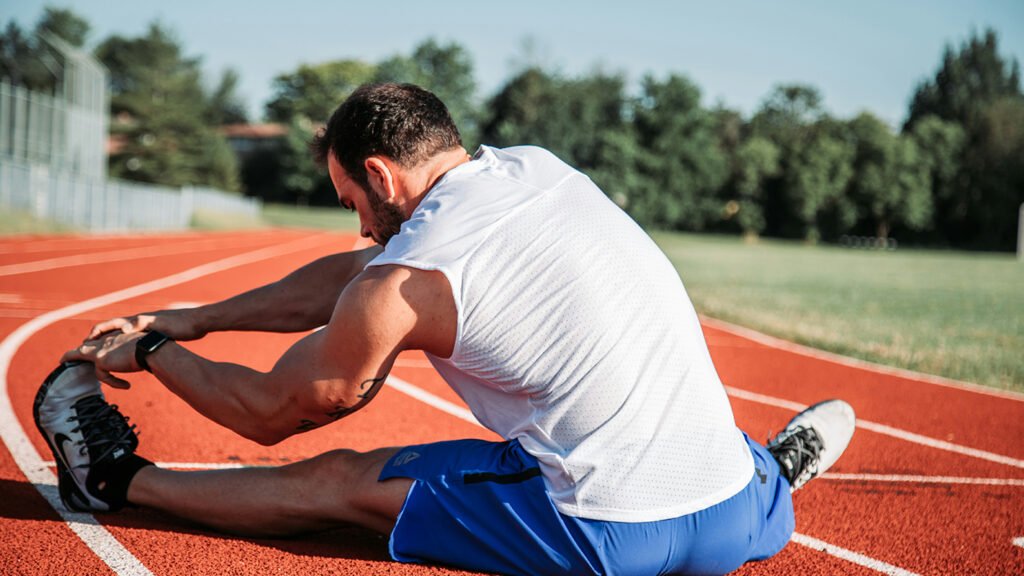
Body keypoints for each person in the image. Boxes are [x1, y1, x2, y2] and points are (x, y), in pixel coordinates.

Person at [35, 83, 855, 575]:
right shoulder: (536, 169)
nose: (358, 227)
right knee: (669, 411)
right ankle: (773, 473)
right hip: (731, 519)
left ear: (383, 176)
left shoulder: (403, 280)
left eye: (353, 202)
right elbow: (353, 277)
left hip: (607, 535)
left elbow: (273, 411)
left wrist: (151, 350)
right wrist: (197, 318)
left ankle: (113, 481)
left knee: (339, 482)